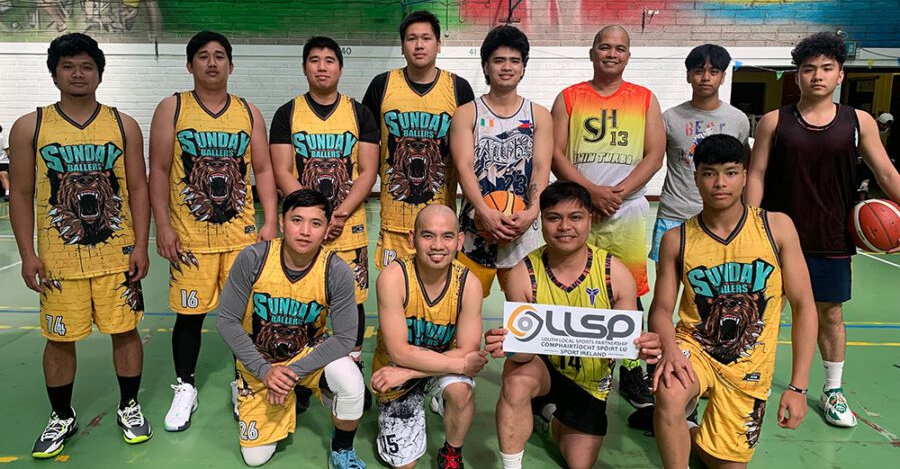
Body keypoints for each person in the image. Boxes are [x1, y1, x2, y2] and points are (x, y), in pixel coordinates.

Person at [8, 33, 152, 457]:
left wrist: (140, 245)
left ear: (99, 73)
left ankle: (129, 405)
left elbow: (139, 190)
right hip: (58, 260)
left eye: (86, 66)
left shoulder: (123, 124)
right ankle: (61, 416)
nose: (77, 73)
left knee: (126, 331)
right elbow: (19, 193)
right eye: (68, 66)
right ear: (54, 73)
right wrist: (28, 253)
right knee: (59, 339)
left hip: (117, 254)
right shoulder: (29, 126)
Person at [746, 32, 900, 428]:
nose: (817, 76)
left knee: (829, 315)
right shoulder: (774, 121)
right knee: (763, 311)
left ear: (840, 77)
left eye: (826, 69)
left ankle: (832, 390)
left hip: (832, 237)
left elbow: (885, 172)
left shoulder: (858, 121)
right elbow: (757, 174)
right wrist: (749, 225)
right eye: (808, 69)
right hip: (777, 238)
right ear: (796, 76)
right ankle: (750, 378)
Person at [651, 134, 817, 468]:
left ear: (745, 176)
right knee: (669, 391)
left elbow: (804, 307)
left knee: (723, 462)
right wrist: (669, 349)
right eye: (709, 173)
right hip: (695, 347)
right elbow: (661, 309)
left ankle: (692, 430)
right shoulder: (677, 239)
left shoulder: (777, 228)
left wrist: (798, 388)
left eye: (730, 172)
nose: (719, 183)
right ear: (695, 177)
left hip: (749, 364)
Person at [148, 30, 279, 431]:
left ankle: (245, 383)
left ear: (231, 65)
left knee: (247, 318)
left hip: (240, 237)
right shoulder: (172, 108)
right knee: (189, 316)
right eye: (202, 56)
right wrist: (163, 227)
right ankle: (185, 386)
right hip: (190, 238)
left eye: (219, 56)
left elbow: (263, 169)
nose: (211, 62)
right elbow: (159, 172)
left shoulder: (248, 111)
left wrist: (271, 220)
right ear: (190, 65)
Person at [484, 180, 662, 469]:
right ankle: (511, 465)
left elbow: (624, 345)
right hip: (542, 368)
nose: (564, 226)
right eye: (554, 218)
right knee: (516, 382)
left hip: (591, 382)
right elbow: (523, 355)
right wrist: (509, 344)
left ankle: (547, 414)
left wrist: (642, 347)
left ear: (590, 219)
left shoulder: (615, 274)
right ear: (541, 221)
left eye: (575, 217)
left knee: (579, 463)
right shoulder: (523, 274)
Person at [550, 25, 665, 413]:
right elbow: (556, 154)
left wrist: (617, 193)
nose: (611, 53)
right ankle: (567, 365)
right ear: (592, 51)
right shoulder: (568, 98)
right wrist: (589, 193)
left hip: (626, 211)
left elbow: (654, 154)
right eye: (604, 46)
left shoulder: (645, 99)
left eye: (620, 48)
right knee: (572, 285)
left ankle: (632, 369)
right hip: (579, 211)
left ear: (628, 55)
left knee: (628, 291)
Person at [217, 189, 367, 468]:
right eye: (297, 220)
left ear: (327, 230)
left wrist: (291, 374)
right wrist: (265, 371)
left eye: (315, 223)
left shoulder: (336, 270)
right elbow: (226, 320)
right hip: (260, 359)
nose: (305, 231)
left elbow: (346, 338)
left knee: (351, 380)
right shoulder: (252, 258)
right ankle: (243, 386)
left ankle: (342, 448)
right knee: (255, 458)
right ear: (282, 222)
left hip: (308, 355)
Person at [269, 36, 380, 410]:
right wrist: (313, 218)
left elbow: (368, 172)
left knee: (353, 301)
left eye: (329, 60)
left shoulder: (359, 113)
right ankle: (300, 376)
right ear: (305, 67)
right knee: (302, 298)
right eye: (314, 60)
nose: (322, 66)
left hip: (348, 226)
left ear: (340, 68)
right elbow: (283, 170)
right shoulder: (288, 113)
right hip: (303, 227)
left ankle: (350, 371)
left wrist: (340, 213)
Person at [370, 205, 486, 469]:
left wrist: (411, 374)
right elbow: (399, 352)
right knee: (405, 465)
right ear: (412, 239)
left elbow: (468, 349)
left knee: (460, 391)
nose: (437, 245)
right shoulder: (393, 278)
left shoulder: (469, 283)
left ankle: (452, 453)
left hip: (418, 369)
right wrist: (458, 364)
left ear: (459, 241)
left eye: (447, 236)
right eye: (427, 235)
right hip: (395, 368)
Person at [362, 10, 475, 270]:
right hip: (394, 222)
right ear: (402, 46)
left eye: (426, 38)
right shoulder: (382, 85)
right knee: (394, 294)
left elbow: (467, 156)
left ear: (438, 44)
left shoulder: (458, 88)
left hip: (440, 224)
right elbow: (366, 149)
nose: (419, 44)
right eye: (412, 38)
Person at [450, 25, 552, 297]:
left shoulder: (539, 115)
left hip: (521, 230)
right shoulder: (467, 113)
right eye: (498, 60)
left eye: (514, 60)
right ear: (486, 67)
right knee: (464, 306)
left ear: (523, 68)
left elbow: (541, 169)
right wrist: (484, 211)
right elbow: (464, 168)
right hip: (475, 229)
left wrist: (532, 213)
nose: (506, 67)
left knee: (524, 310)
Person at [650, 44, 750, 262]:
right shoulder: (669, 118)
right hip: (674, 214)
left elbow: (745, 167)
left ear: (723, 77)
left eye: (713, 72)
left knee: (713, 289)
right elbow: (652, 160)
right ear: (688, 75)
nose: (706, 77)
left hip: (722, 218)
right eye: (698, 71)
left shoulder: (738, 119)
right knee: (666, 284)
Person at [0, 124, 9, 200]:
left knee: (3, 174)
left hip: (3, 161)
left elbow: (7, 151)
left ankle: (8, 192)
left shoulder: (2, 138)